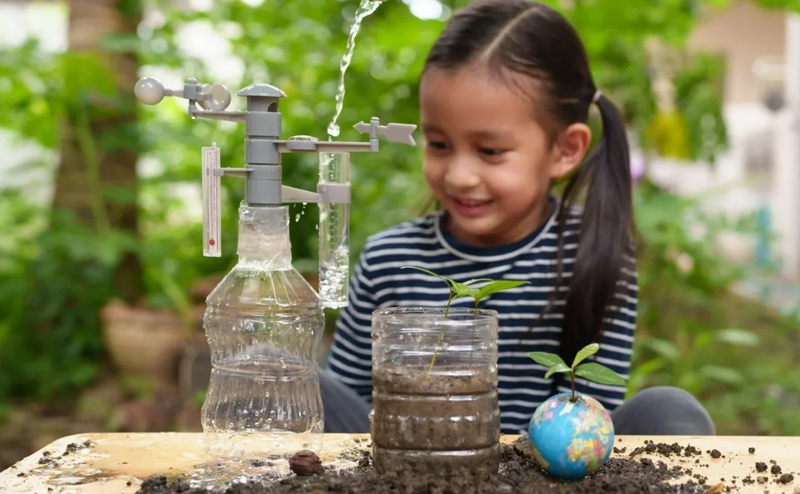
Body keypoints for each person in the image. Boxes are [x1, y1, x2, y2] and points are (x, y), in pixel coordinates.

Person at [318, 0, 715, 437]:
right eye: (438, 143)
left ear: (565, 150)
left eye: (489, 151)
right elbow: (345, 409)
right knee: (291, 378)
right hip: (404, 464)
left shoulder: (597, 256)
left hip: (545, 472)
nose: (459, 175)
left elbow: (589, 423)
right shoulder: (387, 258)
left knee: (670, 409)